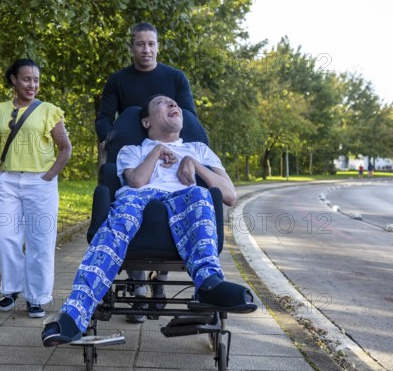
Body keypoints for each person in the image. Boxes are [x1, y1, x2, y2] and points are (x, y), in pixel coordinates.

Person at [41, 96, 256, 346]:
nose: (174, 106)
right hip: (139, 200)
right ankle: (74, 313)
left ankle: (209, 283)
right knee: (123, 212)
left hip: (185, 202)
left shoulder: (199, 149)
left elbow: (229, 195)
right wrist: (156, 150)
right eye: (163, 104)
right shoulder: (132, 150)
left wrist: (193, 163)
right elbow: (137, 182)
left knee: (201, 194)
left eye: (176, 104)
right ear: (146, 121)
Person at [95, 22, 198, 321]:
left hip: (170, 151)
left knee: (170, 206)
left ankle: (160, 282)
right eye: (140, 44)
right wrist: (108, 141)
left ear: (158, 46)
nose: (146, 49)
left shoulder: (175, 78)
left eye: (151, 44)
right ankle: (139, 288)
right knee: (130, 207)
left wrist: (187, 157)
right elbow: (104, 117)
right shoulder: (117, 81)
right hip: (132, 150)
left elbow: (188, 117)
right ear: (131, 47)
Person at [0, 59, 72, 318]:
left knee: (40, 240)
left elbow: (65, 149)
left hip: (40, 182)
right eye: (26, 79)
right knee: (3, 235)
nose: (32, 84)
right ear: (13, 80)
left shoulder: (49, 110)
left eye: (36, 80)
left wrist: (49, 176)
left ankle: (37, 298)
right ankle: (12, 287)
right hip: (7, 181)